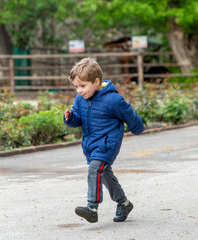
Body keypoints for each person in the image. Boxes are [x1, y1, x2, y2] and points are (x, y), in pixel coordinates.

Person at [63, 57, 145, 223]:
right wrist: (71, 118)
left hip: (107, 144)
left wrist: (137, 128)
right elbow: (78, 119)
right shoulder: (81, 99)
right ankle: (124, 203)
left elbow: (129, 115)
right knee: (104, 174)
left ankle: (92, 207)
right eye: (76, 86)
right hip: (91, 145)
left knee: (95, 169)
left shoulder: (113, 100)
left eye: (83, 86)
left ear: (96, 81)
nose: (79, 90)